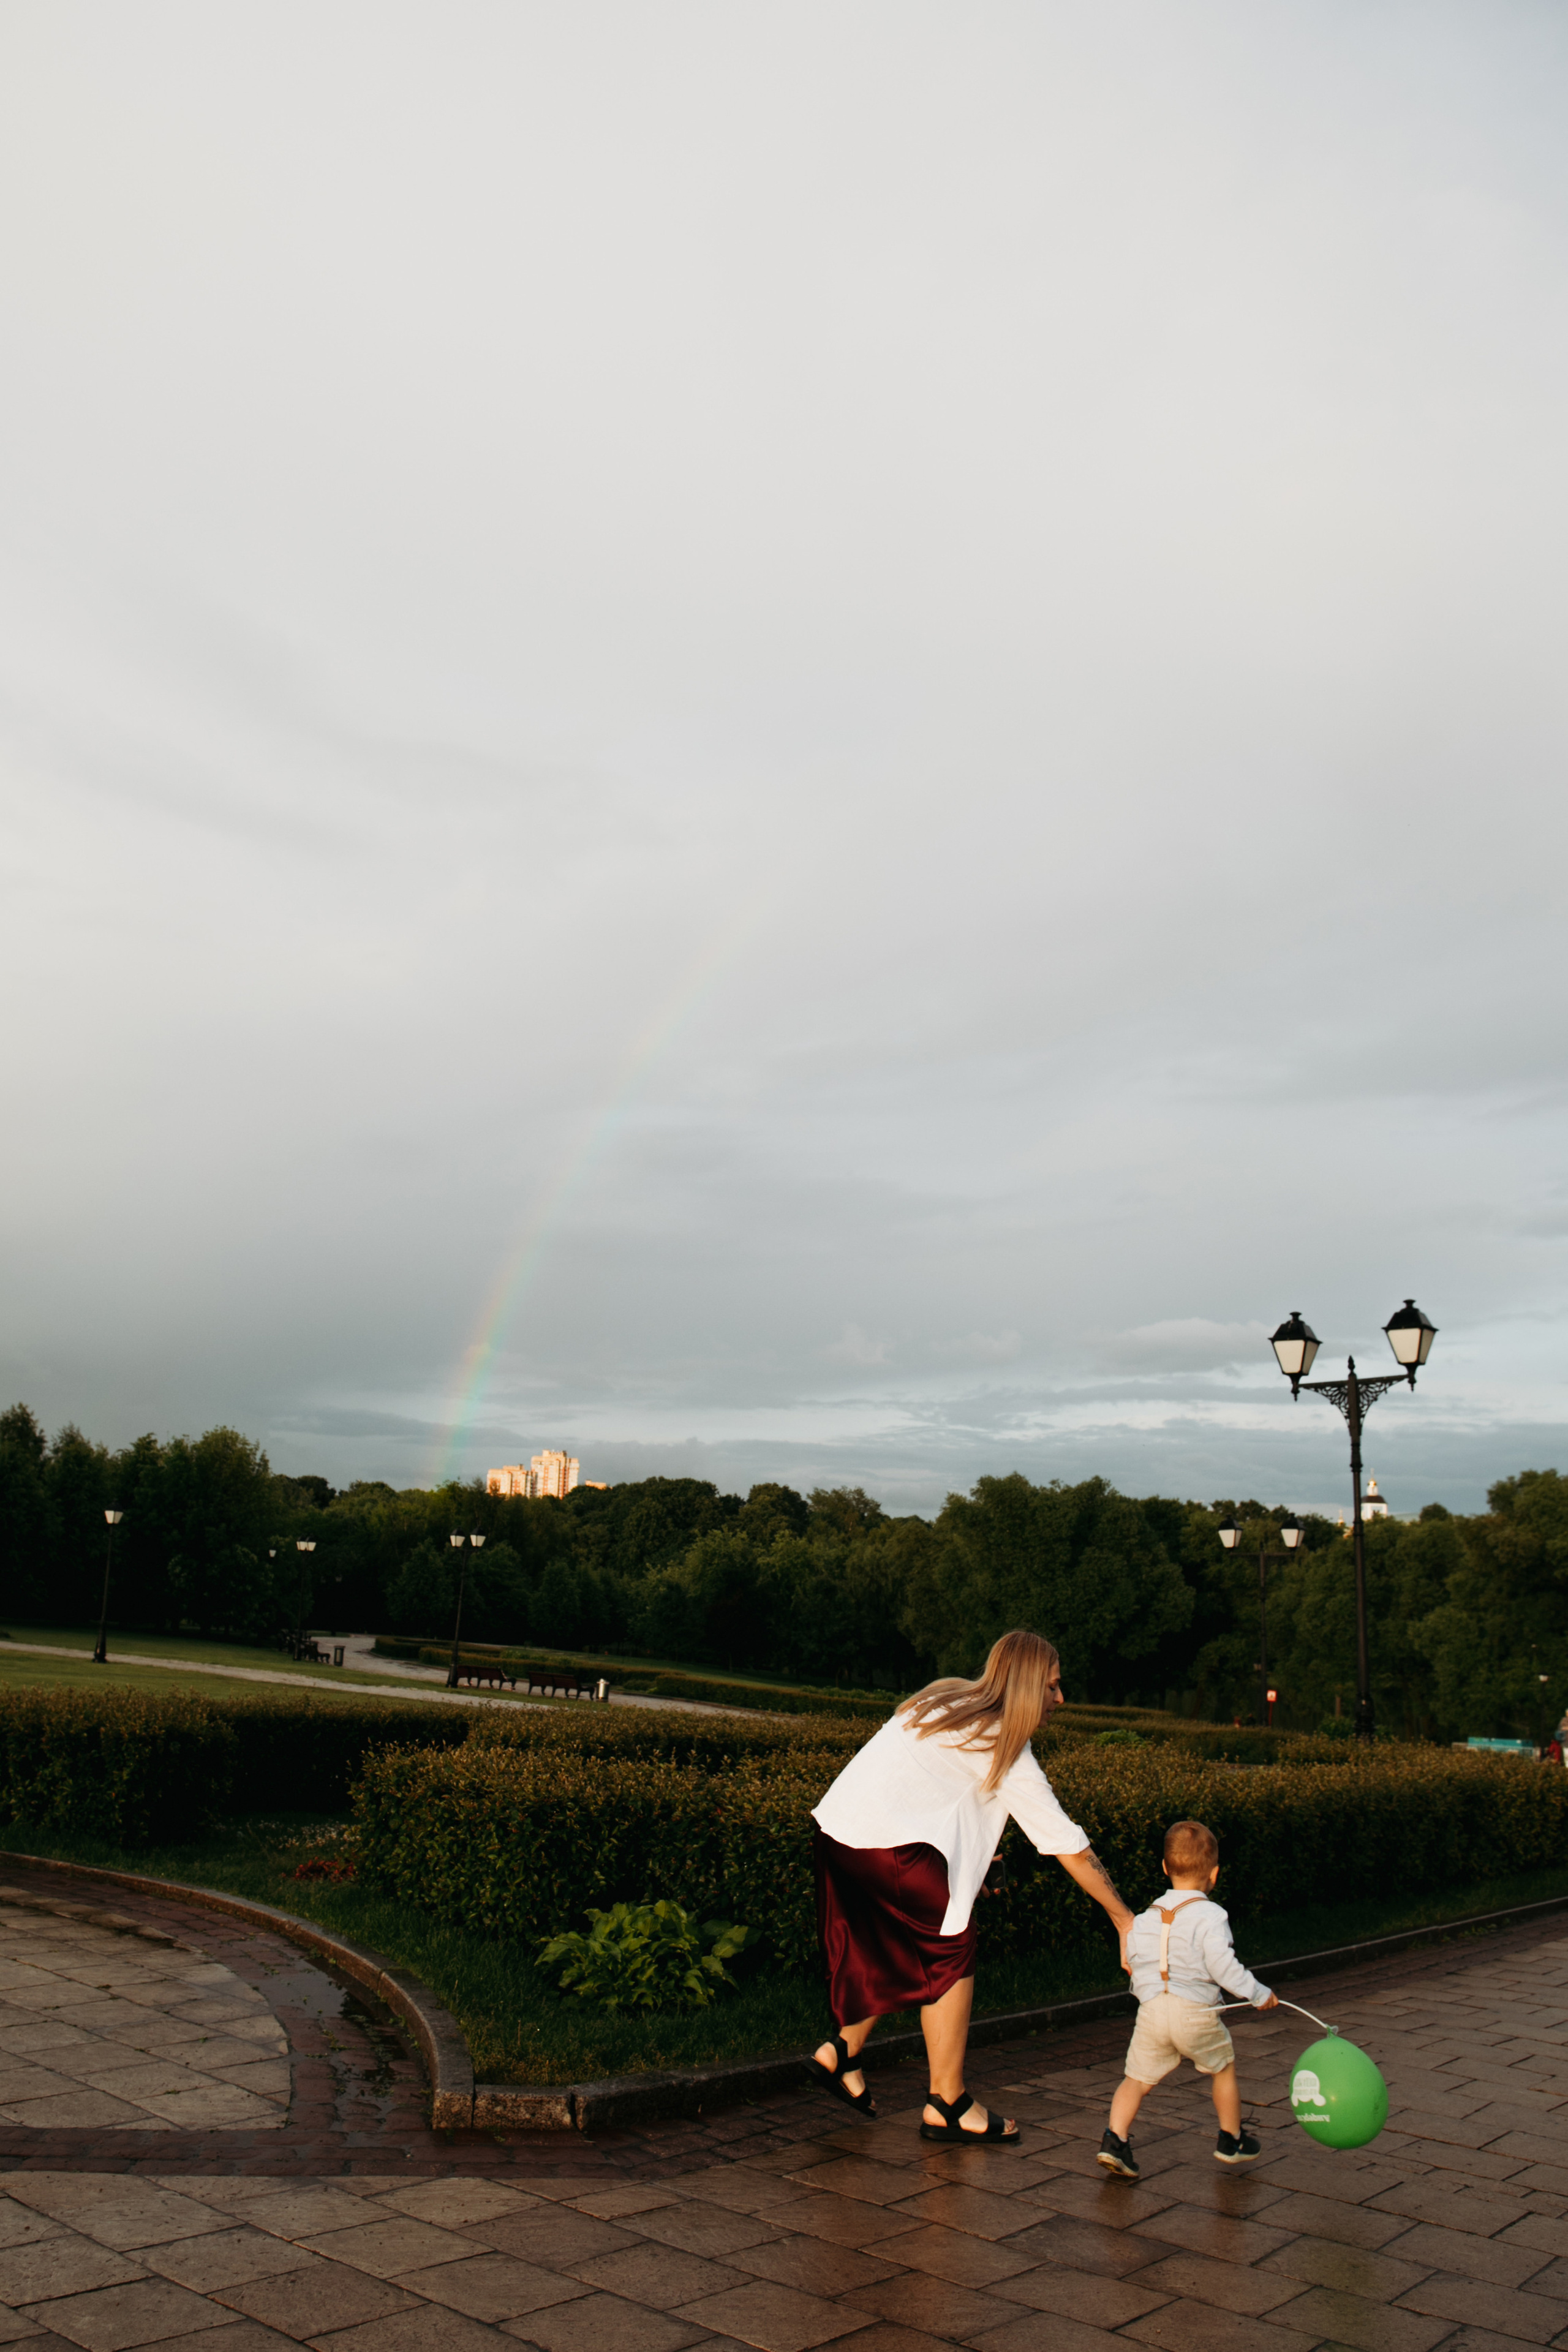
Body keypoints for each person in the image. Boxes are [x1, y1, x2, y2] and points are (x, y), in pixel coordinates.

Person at [808, 1627, 1134, 2143]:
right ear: (1027, 1687)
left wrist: (976, 1859)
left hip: (838, 1836)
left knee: (892, 1942)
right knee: (950, 1948)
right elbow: (1068, 1846)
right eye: (1052, 1687)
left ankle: (842, 2053)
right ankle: (948, 2102)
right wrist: (1124, 1920)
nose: (1060, 1698)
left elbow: (926, 1783)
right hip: (891, 1849)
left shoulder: (945, 1698)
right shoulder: (1007, 1749)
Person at [1097, 1817, 1276, 2180]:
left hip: (1152, 2012)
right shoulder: (1211, 1915)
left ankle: (1115, 2141)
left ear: (1165, 1868)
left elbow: (1133, 1959)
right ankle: (1232, 2139)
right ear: (1215, 1874)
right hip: (1194, 2013)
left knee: (1136, 2080)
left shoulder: (1146, 1917)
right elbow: (1223, 1967)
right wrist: (1259, 1994)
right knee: (1222, 2069)